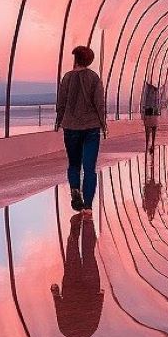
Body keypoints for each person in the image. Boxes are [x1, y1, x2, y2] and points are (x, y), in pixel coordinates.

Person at [54, 45, 107, 215]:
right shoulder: (94, 78)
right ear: (89, 60)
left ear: (75, 59)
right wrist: (103, 123)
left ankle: (75, 190)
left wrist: (59, 119)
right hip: (91, 127)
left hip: (70, 126)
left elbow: (61, 102)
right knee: (89, 167)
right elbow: (99, 103)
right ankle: (88, 206)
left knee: (74, 164)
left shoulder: (67, 78)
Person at [52, 211, 104, 337]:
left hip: (90, 288)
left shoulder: (91, 330)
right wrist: (55, 293)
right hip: (71, 289)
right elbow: (60, 309)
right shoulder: (65, 330)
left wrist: (100, 295)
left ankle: (87, 221)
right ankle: (75, 227)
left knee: (89, 254)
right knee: (72, 255)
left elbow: (96, 310)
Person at [140, 80, 161, 153]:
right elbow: (157, 102)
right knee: (152, 128)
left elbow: (144, 101)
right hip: (152, 110)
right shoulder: (155, 91)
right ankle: (151, 143)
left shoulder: (148, 90)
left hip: (150, 110)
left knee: (148, 129)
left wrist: (143, 111)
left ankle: (149, 144)